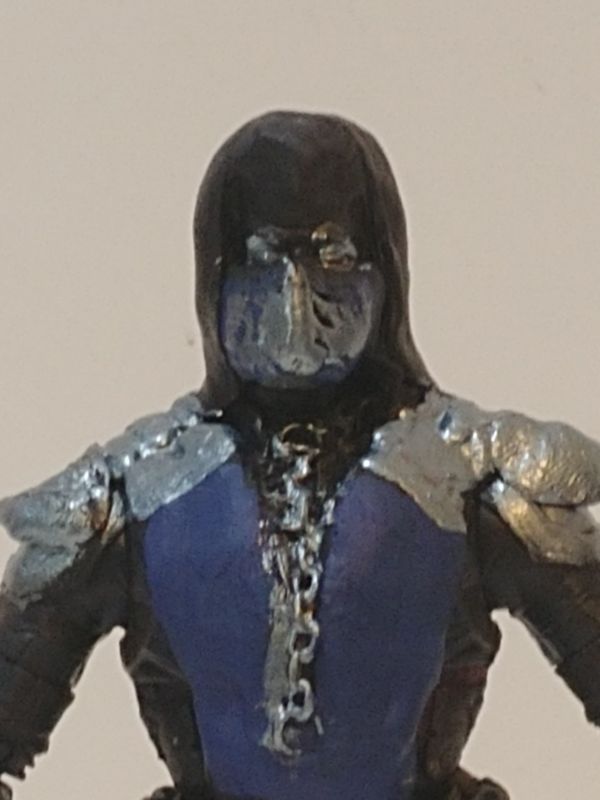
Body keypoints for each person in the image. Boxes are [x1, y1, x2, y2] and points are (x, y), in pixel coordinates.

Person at [1, 111, 599, 800]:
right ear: (216, 274)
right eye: (259, 260)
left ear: (383, 271)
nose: (295, 298)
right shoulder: (133, 492)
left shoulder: (477, 477)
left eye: (332, 256)